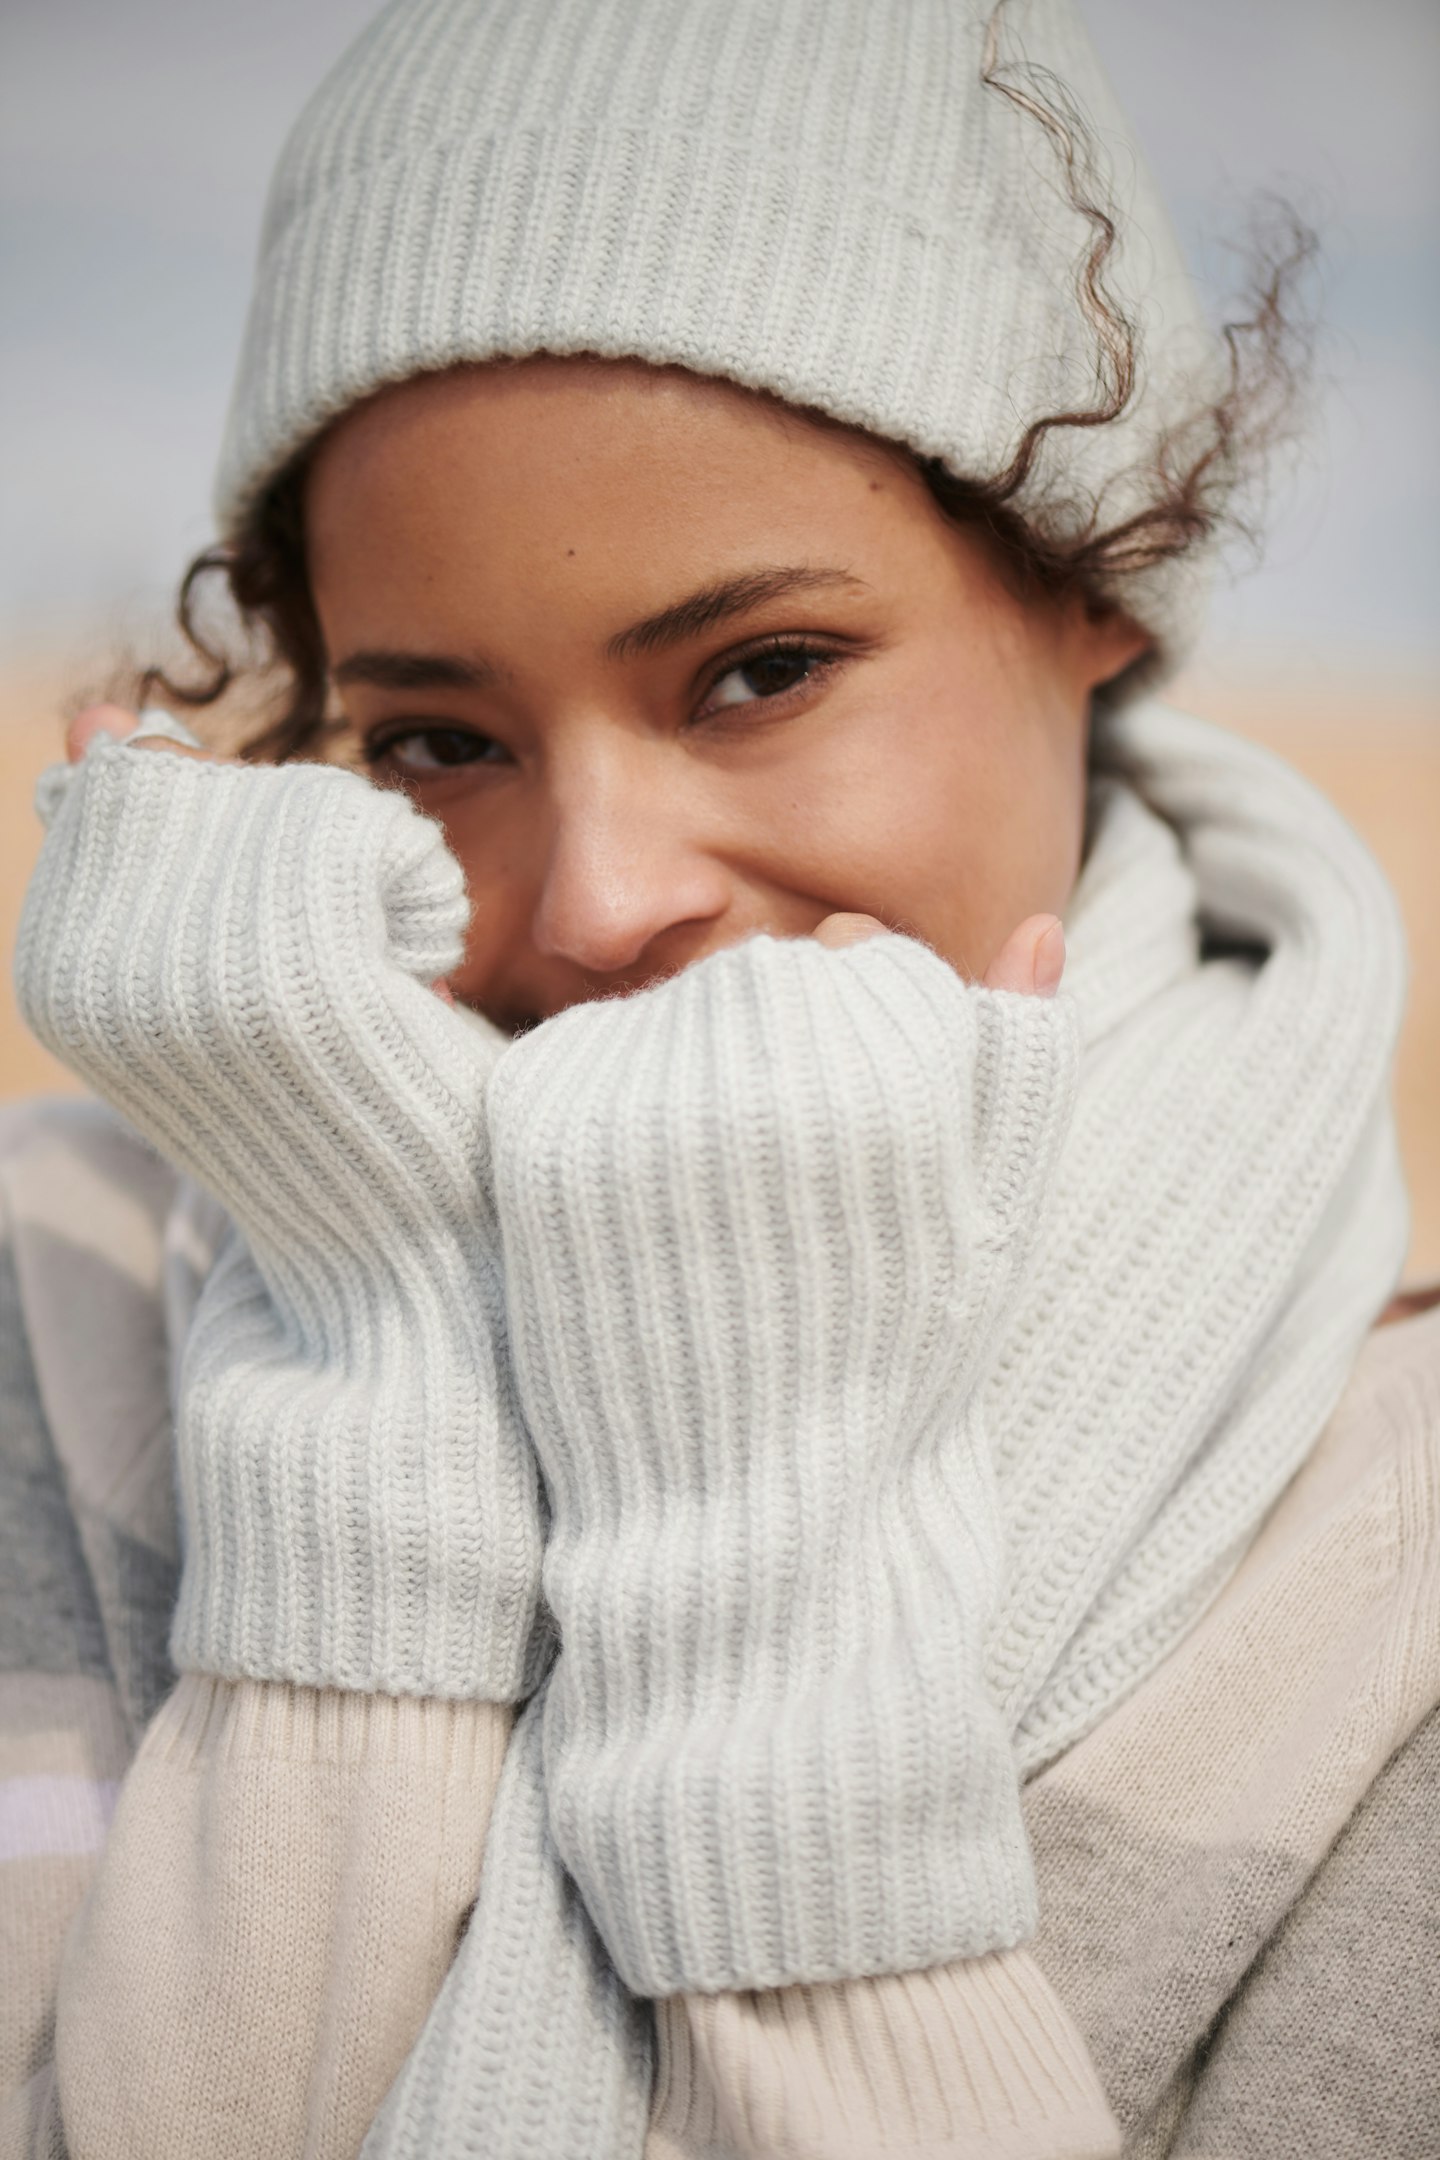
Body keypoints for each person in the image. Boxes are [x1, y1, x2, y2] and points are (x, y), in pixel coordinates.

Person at [2, 0, 1436, 2155]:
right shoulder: (69, 1298)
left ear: (1092, 578)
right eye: (438, 740)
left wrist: (769, 1590)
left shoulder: (1387, 1533)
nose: (600, 903)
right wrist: (368, 1337)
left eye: (759, 673)